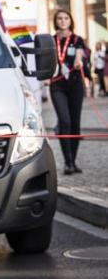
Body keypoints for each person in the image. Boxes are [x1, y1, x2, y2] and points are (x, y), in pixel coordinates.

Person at [49, 9, 86, 175]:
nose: (63, 21)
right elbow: (46, 61)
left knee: (75, 124)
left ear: (70, 20)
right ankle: (68, 163)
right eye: (59, 18)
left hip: (75, 84)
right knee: (65, 121)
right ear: (55, 21)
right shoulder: (51, 40)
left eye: (66, 18)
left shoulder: (77, 40)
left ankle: (74, 160)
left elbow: (79, 54)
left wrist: (78, 62)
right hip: (57, 86)